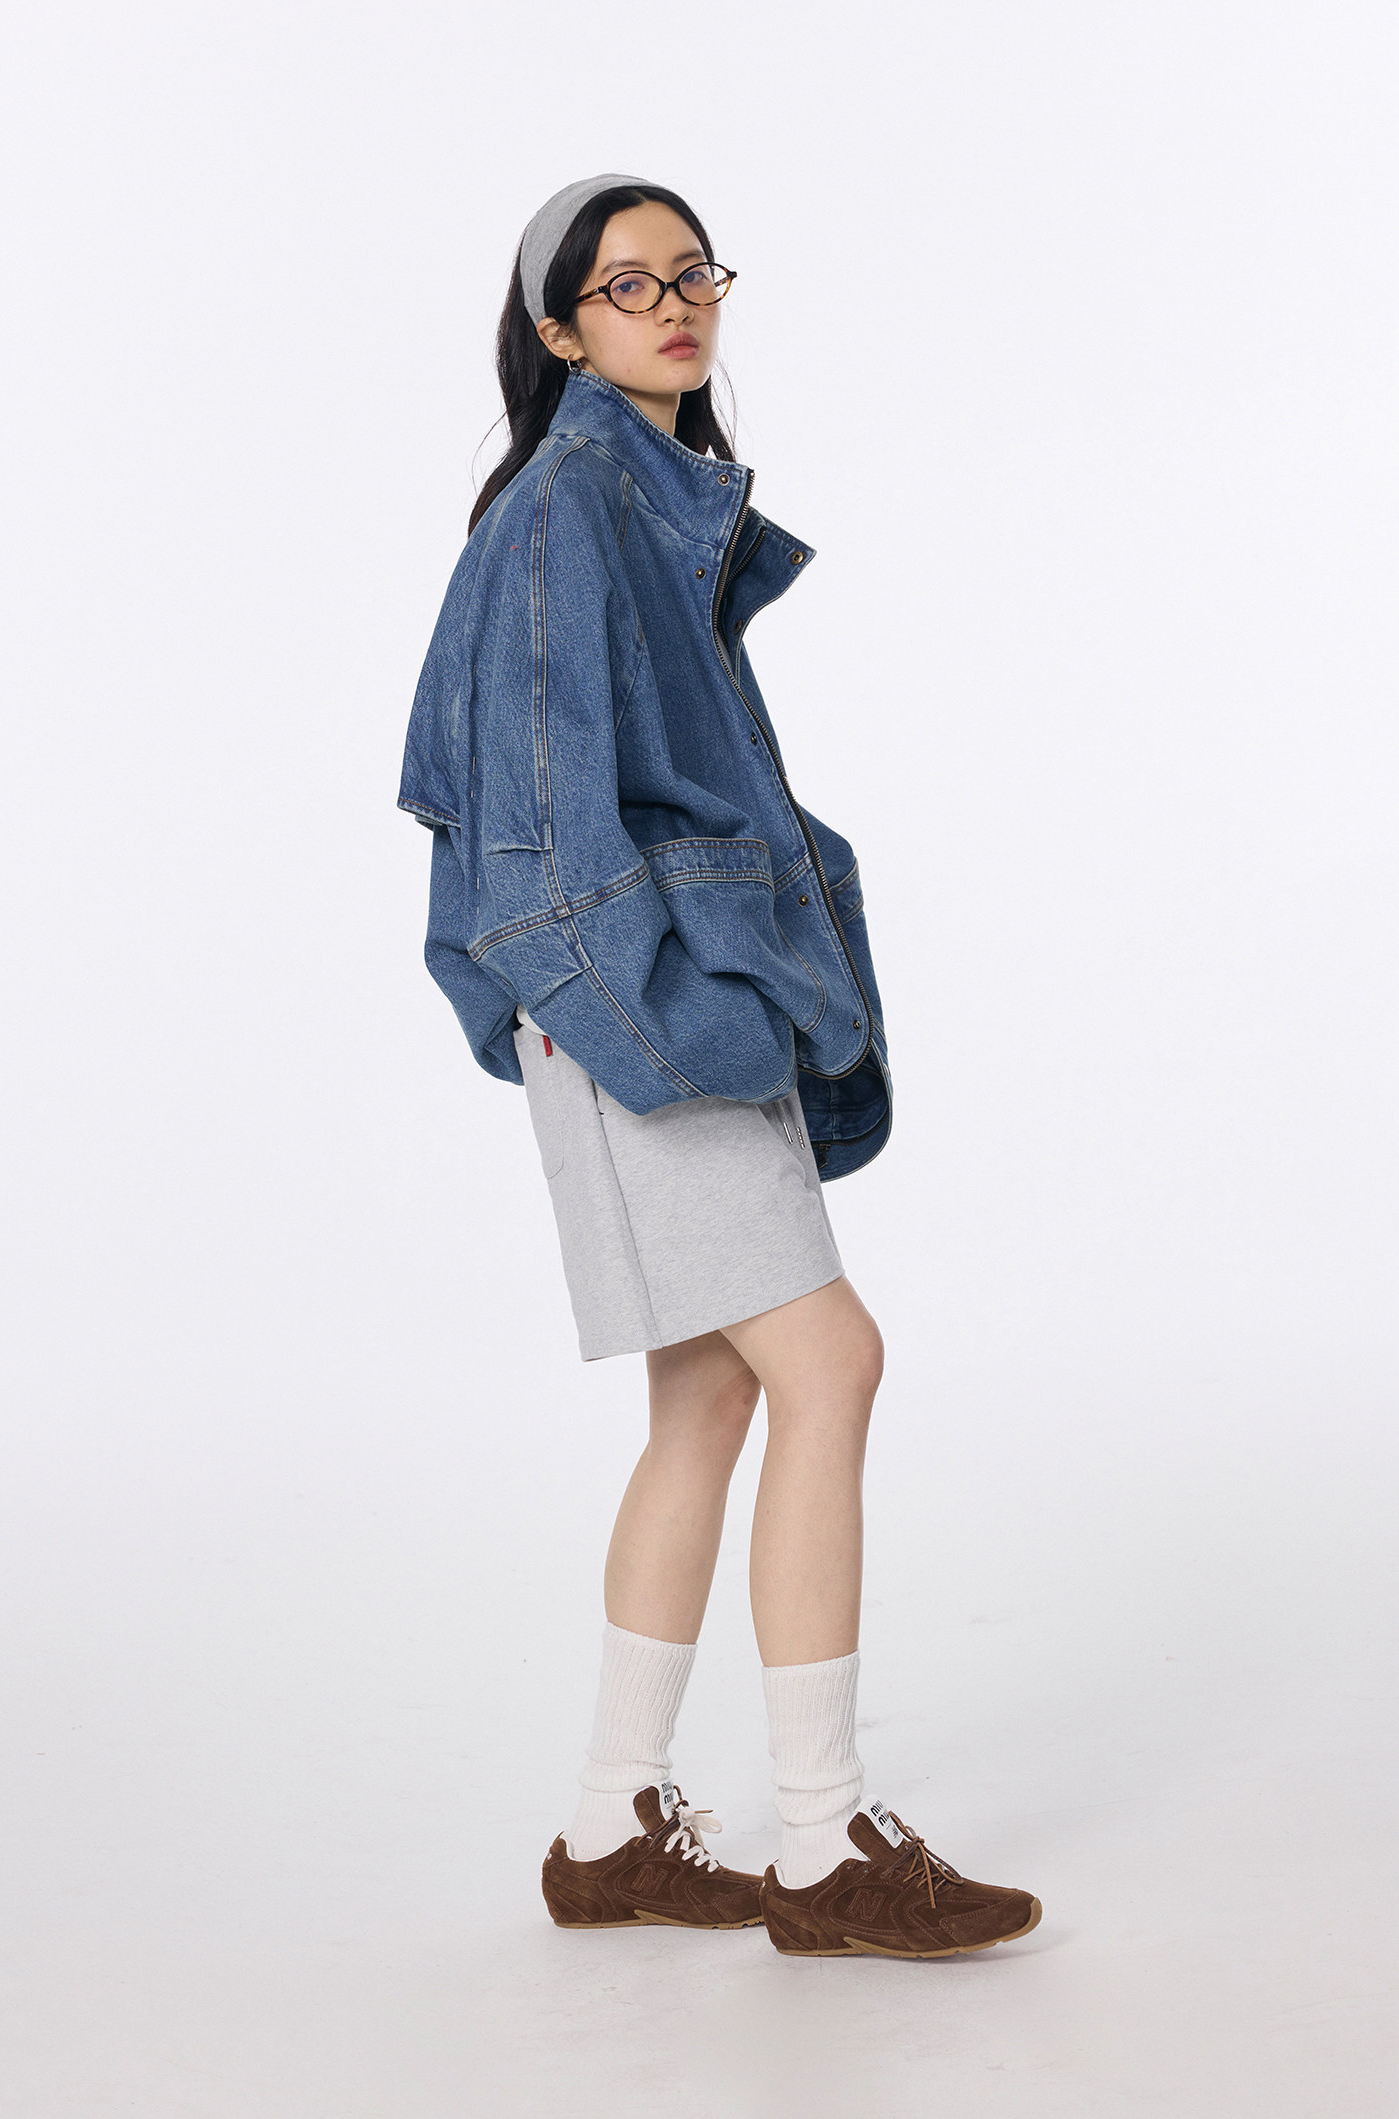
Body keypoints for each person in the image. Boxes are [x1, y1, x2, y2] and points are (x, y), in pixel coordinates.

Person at [398, 174, 1041, 1959]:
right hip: (642, 1016)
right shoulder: (568, 510)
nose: (675, 303)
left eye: (694, 274)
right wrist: (657, 1020)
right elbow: (530, 842)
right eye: (627, 285)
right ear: (558, 328)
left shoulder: (643, 506)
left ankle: (610, 1828)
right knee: (832, 1361)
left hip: (673, 1002)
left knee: (710, 1397)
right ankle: (823, 1846)